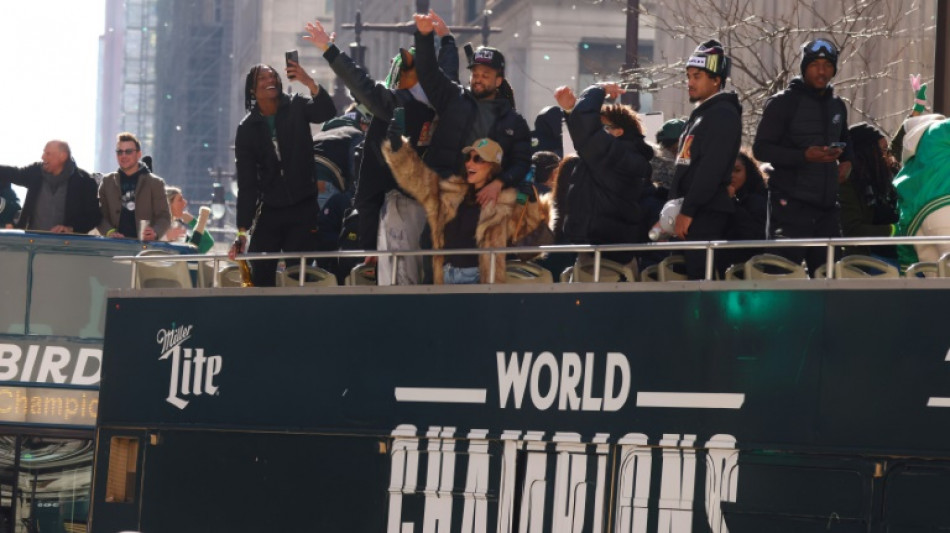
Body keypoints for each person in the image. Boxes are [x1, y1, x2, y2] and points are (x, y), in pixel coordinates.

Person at [305, 15, 458, 285]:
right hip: (399, 202)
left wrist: (447, 41)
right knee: (404, 277)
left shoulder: (442, 93)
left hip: (432, 200)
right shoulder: (401, 101)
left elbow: (448, 67)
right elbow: (360, 82)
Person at [383, 130, 552, 284]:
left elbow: (532, 246)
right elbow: (416, 179)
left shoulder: (507, 201)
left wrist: (531, 203)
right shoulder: (452, 192)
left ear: (493, 167)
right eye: (468, 158)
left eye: (478, 159)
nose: (470, 163)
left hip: (483, 281)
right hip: (444, 277)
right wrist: (399, 151)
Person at [229, 59, 337, 286]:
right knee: (261, 270)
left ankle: (298, 318)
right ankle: (262, 317)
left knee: (299, 274)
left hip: (302, 206)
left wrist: (307, 80)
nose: (269, 80)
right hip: (270, 209)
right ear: (252, 88)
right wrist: (242, 231)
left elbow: (326, 111)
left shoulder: (297, 106)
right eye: (262, 78)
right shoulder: (247, 128)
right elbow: (247, 183)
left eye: (272, 76)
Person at [753, 38, 852, 275]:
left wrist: (848, 162)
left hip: (827, 209)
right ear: (804, 67)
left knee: (831, 281)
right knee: (781, 278)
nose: (821, 70)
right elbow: (761, 149)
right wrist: (803, 156)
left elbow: (847, 142)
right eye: (815, 64)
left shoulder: (838, 105)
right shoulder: (782, 103)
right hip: (790, 207)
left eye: (828, 65)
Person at [413, 10, 532, 207]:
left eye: (486, 75)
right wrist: (424, 37)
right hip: (442, 195)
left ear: (498, 81)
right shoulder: (453, 98)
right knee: (431, 239)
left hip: (485, 202)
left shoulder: (514, 122)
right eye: (475, 73)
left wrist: (499, 183)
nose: (478, 79)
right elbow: (428, 73)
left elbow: (522, 162)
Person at [555, 82, 654, 266]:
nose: (599, 132)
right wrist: (571, 112)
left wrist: (597, 89)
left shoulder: (621, 156)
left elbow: (588, 135)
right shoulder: (617, 154)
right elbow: (587, 138)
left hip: (607, 252)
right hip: (597, 248)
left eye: (603, 127)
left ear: (618, 132)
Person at [669, 40, 743, 279]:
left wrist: (687, 211)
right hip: (693, 212)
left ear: (716, 80)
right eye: (689, 76)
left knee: (702, 281)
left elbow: (710, 170)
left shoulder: (722, 114)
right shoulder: (703, 114)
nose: (690, 82)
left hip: (705, 213)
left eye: (697, 76)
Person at [0, 140, 101, 233]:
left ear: (63, 156)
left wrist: (71, 228)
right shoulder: (35, 172)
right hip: (31, 246)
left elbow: (94, 217)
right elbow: (13, 173)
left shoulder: (85, 182)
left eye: (47, 154)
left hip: (66, 247)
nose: (42, 157)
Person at [838, 123, 899, 262]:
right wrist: (894, 230)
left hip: (896, 254)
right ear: (867, 153)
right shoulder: (848, 185)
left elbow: (900, 146)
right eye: (883, 150)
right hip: (868, 260)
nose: (888, 155)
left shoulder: (884, 178)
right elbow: (852, 231)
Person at [98, 132, 171, 240]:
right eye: (119, 152)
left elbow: (164, 217)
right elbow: (99, 215)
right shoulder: (107, 182)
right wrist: (110, 232)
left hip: (143, 249)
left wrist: (154, 232)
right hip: (113, 246)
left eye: (128, 152)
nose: (123, 156)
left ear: (138, 154)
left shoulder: (155, 183)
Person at [721, 149, 769, 267]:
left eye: (737, 170)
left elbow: (752, 235)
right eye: (726, 171)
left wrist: (732, 202)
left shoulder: (757, 200)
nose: (731, 175)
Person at [164, 186, 215, 253]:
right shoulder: (157, 227)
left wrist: (193, 221)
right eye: (180, 200)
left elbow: (208, 242)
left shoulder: (177, 226)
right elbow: (189, 252)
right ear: (168, 204)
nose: (185, 202)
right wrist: (201, 220)